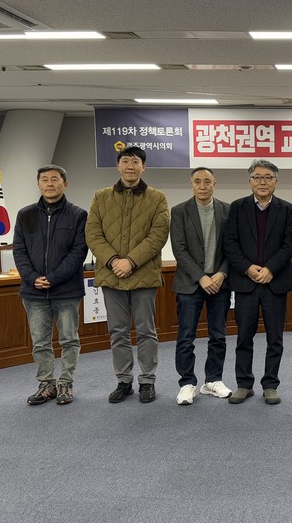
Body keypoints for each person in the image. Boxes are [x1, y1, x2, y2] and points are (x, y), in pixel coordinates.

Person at [86, 146, 169, 404]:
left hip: (144, 275)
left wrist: (130, 261)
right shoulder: (101, 197)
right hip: (112, 276)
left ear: (144, 167)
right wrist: (114, 261)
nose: (130, 166)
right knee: (118, 331)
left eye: (135, 162)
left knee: (146, 330)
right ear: (118, 166)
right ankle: (124, 381)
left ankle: (147, 381)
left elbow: (158, 236)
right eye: (125, 161)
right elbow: (93, 234)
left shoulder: (157, 198)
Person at [223, 159, 292, 405]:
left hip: (275, 283)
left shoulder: (287, 209)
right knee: (244, 336)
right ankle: (244, 384)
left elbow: (289, 243)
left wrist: (270, 269)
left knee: (275, 338)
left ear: (276, 181)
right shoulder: (237, 207)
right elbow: (230, 242)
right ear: (250, 181)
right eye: (257, 177)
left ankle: (270, 385)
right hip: (246, 283)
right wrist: (247, 268)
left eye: (268, 177)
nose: (262, 182)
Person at [14, 165, 88, 406]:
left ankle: (65, 383)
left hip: (66, 290)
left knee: (69, 339)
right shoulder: (25, 214)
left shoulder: (78, 214)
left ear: (65, 184)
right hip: (33, 291)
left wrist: (53, 278)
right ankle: (46, 384)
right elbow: (19, 250)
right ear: (38, 185)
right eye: (44, 179)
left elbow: (79, 252)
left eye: (54, 179)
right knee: (40, 342)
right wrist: (32, 277)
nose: (49, 183)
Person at [170, 167, 232, 406]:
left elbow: (233, 247)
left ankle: (213, 380)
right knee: (186, 337)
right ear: (191, 184)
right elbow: (179, 249)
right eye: (198, 181)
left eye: (207, 181)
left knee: (218, 335)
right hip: (189, 284)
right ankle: (187, 383)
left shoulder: (227, 210)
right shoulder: (179, 211)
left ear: (215, 184)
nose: (203, 186)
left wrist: (222, 273)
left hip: (219, 284)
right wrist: (200, 277)